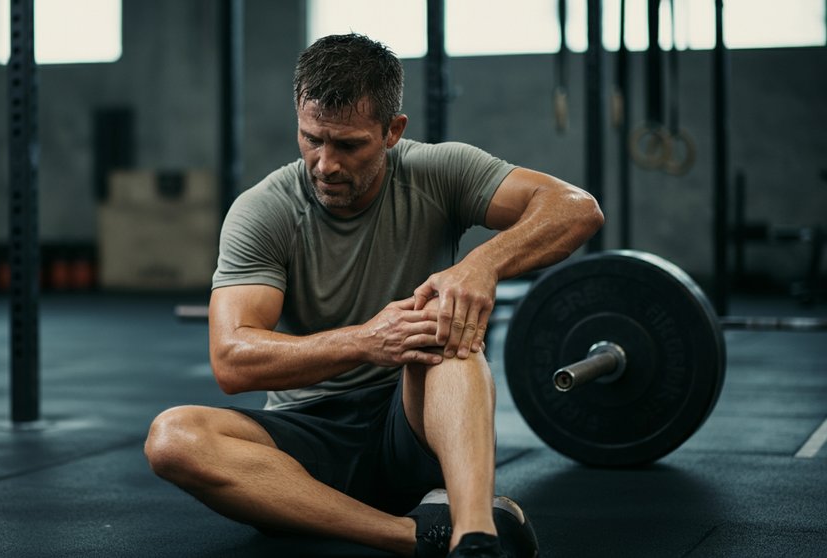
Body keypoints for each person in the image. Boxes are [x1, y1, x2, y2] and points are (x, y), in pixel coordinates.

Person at [145, 33, 603, 558]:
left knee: (444, 330)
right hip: (304, 441)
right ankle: (414, 537)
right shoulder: (263, 210)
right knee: (172, 437)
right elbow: (232, 361)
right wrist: (366, 341)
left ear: (392, 131)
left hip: (411, 425)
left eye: (348, 145)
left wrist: (482, 266)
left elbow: (576, 209)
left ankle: (474, 536)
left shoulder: (438, 171)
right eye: (312, 139)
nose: (325, 164)